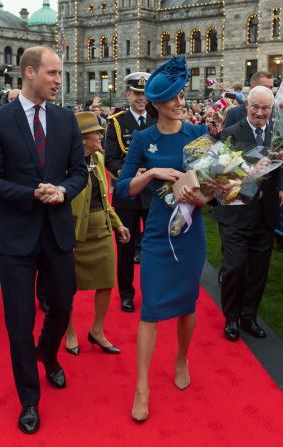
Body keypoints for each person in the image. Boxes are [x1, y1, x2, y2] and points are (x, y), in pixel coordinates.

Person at [0, 46, 87, 434]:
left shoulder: (65, 120)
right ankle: (29, 399)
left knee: (62, 304)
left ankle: (48, 354)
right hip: (16, 237)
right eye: (53, 73)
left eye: (60, 73)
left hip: (56, 232)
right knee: (18, 321)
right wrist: (30, 194)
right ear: (29, 72)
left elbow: (79, 173)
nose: (59, 80)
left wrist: (62, 190)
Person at [115, 57, 211, 422]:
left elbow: (216, 189)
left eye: (181, 95)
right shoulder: (143, 139)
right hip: (156, 235)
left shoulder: (197, 135)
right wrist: (152, 172)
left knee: (187, 304)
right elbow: (123, 189)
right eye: (171, 97)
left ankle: (182, 357)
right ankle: (142, 386)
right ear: (156, 103)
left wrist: (200, 197)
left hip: (190, 234)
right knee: (151, 309)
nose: (179, 101)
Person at [213, 86, 283, 341]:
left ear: (272, 109)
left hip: (265, 213)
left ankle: (249, 317)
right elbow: (219, 172)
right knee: (235, 266)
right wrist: (249, 169)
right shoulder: (230, 133)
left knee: (259, 269)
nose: (260, 112)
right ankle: (231, 318)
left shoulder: (277, 134)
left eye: (265, 108)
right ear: (247, 105)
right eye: (255, 107)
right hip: (235, 214)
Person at [64, 111, 130, 355]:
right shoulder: (66, 164)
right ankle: (69, 331)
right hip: (74, 233)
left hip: (101, 229)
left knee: (106, 282)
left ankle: (97, 331)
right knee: (67, 286)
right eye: (96, 132)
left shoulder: (99, 159)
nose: (101, 135)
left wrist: (117, 223)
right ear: (82, 138)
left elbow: (104, 199)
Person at [104, 71, 155, 312]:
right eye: (136, 93)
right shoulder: (116, 122)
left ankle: (153, 291)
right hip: (129, 193)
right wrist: (132, 175)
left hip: (154, 193)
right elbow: (111, 160)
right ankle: (126, 293)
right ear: (128, 94)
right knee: (125, 246)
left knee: (154, 246)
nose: (140, 98)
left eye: (144, 94)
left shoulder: (157, 120)